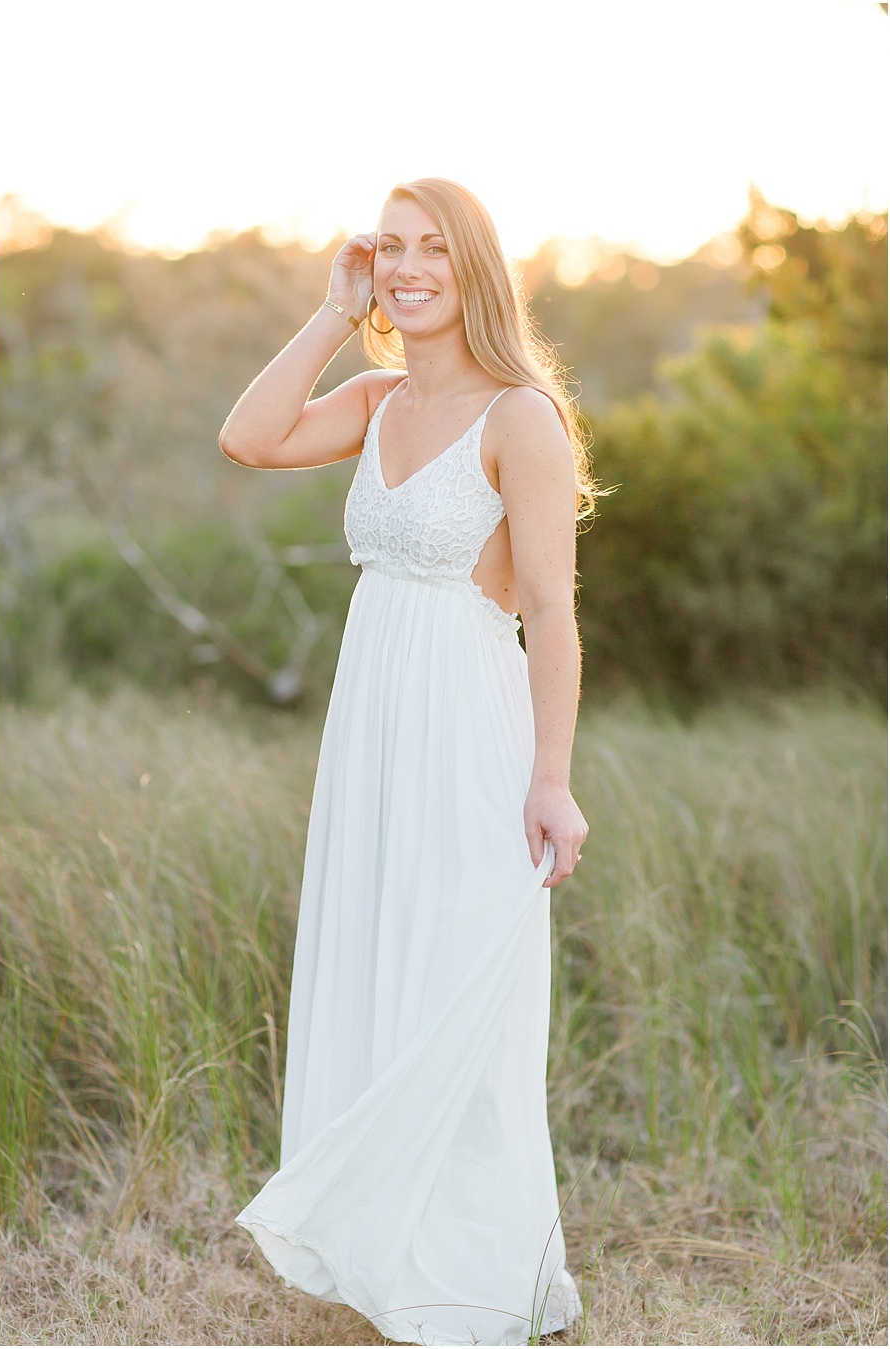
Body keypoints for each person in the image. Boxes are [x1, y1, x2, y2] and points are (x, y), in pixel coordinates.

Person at [219, 178, 590, 1345]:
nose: (410, 266)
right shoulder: (375, 399)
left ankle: (473, 1279)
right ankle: (393, 1257)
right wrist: (333, 312)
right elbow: (250, 436)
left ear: (475, 269)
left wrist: (551, 776)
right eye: (391, 248)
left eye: (436, 248)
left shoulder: (521, 417)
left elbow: (551, 610)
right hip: (371, 729)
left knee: (456, 985)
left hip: (468, 730)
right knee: (385, 969)